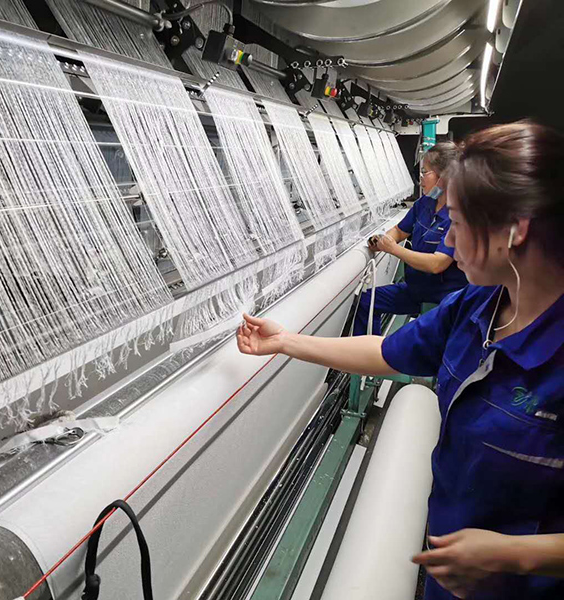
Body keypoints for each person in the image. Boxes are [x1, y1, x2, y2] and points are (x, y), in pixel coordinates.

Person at [238, 122, 564, 599]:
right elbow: (386, 352)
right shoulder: (479, 305)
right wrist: (286, 341)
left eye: (457, 223)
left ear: (515, 230)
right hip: (454, 566)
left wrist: (515, 555)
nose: (447, 243)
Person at [354, 142, 468, 335]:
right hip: (417, 289)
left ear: (444, 176)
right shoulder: (426, 202)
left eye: (425, 172)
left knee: (418, 341)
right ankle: (366, 350)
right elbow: (400, 230)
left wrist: (393, 249)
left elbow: (437, 264)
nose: (420, 179)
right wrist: (383, 240)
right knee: (368, 301)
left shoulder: (461, 215)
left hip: (445, 296)